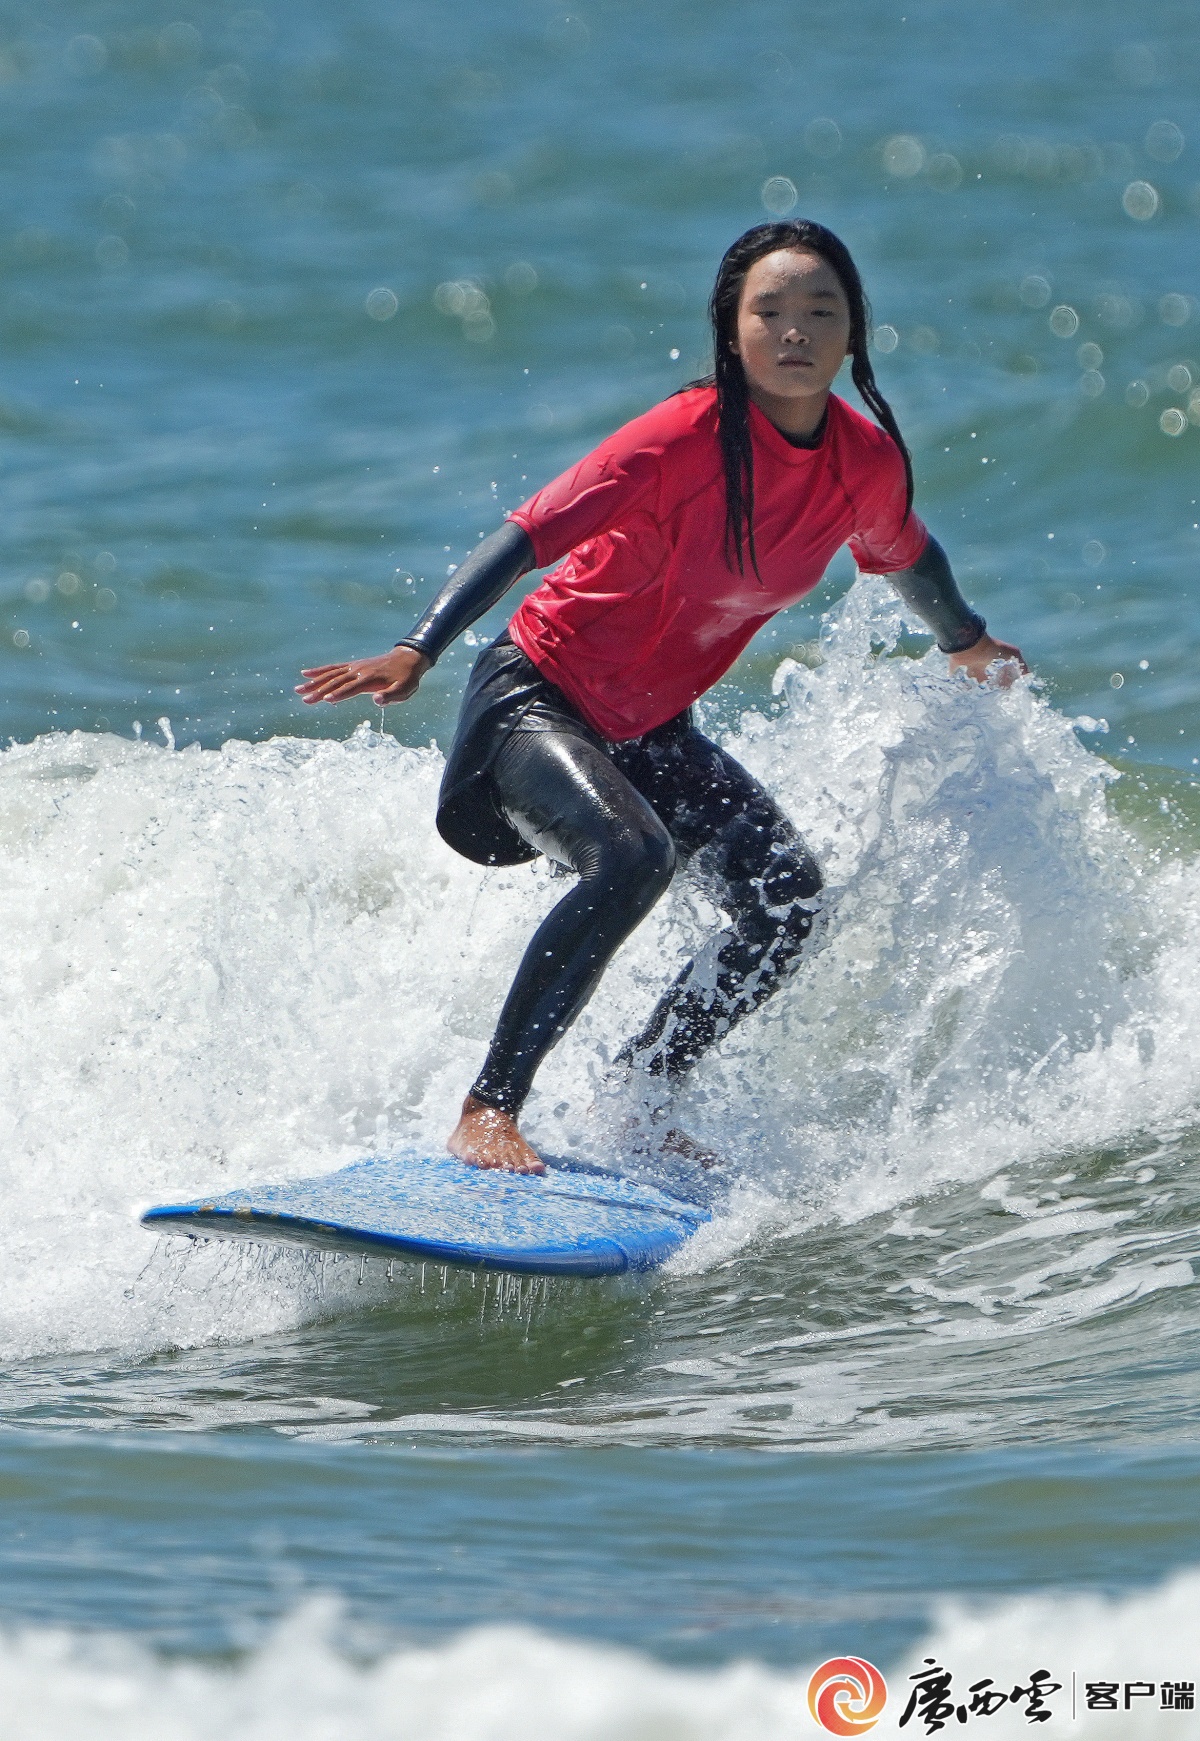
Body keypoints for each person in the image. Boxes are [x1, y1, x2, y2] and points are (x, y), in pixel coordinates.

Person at [298, 220, 1026, 1176]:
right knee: (632, 853)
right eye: (770, 311)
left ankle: (639, 1097)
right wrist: (418, 645)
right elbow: (530, 534)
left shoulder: (865, 465)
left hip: (645, 729)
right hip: (534, 700)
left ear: (855, 335)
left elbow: (910, 557)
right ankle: (488, 1107)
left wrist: (965, 642)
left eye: (822, 312)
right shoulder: (680, 437)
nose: (796, 331)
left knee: (786, 903)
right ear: (733, 330)